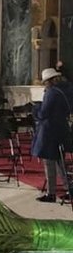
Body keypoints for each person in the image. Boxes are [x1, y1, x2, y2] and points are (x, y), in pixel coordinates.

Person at [31, 67, 73, 202]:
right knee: (61, 161)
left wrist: (36, 108)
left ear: (49, 81)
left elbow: (43, 113)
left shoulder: (51, 92)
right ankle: (69, 189)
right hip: (63, 128)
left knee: (49, 161)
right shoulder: (68, 90)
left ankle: (51, 193)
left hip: (49, 131)